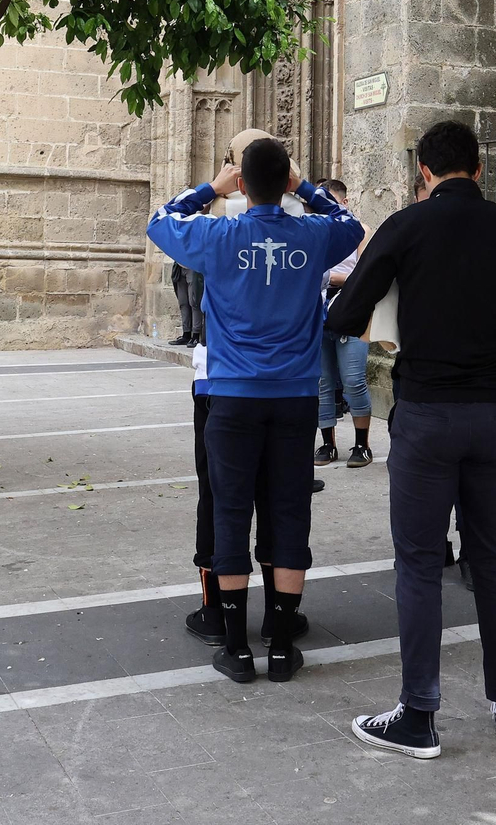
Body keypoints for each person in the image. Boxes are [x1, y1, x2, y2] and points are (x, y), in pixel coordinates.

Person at [329, 121, 496, 758]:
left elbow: (345, 314)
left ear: (424, 173)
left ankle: (418, 713)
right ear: (480, 170)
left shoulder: (407, 227)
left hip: (429, 413)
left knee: (418, 564)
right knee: (493, 561)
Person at [149, 137, 363, 685]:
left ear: (241, 183)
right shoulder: (314, 234)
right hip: (294, 398)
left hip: (233, 396)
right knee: (289, 510)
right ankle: (283, 641)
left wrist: (211, 189)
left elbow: (160, 220)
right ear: (286, 178)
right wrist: (305, 188)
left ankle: (237, 648)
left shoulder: (218, 234)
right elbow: (352, 225)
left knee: (230, 510)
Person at [182, 342, 311, 648]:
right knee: (279, 499)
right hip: (287, 381)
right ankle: (276, 615)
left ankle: (215, 612)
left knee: (218, 497)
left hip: (220, 378)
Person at [316, 179, 374, 469]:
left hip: (351, 310)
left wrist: (330, 278)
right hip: (318, 311)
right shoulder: (315, 230)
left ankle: (362, 444)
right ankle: (328, 444)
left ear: (344, 202)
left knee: (353, 380)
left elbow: (365, 276)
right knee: (323, 381)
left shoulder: (360, 231)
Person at [169, 263, 204, 347]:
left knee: (194, 301)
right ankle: (186, 334)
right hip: (179, 266)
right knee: (183, 302)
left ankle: (196, 335)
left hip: (192, 265)